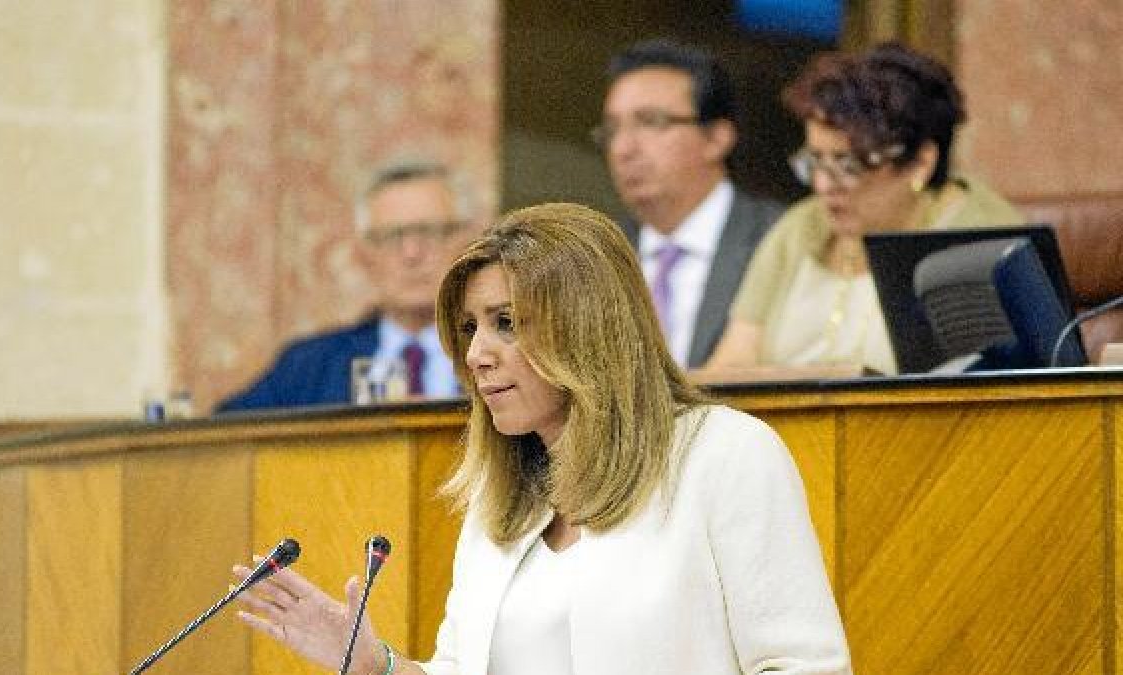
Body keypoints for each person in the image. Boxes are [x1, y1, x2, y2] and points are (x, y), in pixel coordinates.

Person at [232, 203, 851, 674]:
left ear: (587, 326)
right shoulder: (501, 501)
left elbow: (803, 667)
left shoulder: (724, 454)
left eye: (506, 324)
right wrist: (377, 665)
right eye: (470, 328)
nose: (476, 354)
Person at [695, 42, 1021, 378]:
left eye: (848, 165)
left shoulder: (980, 240)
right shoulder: (800, 227)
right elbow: (729, 366)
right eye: (815, 161)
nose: (823, 185)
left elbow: (980, 398)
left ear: (922, 162)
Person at [215, 160, 477, 412]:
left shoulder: (499, 354)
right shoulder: (310, 365)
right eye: (391, 237)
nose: (411, 254)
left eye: (429, 232)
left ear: (465, 243)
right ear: (364, 254)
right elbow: (225, 436)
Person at [596, 38, 784, 369]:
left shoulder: (778, 239)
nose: (623, 148)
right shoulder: (597, 257)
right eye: (613, 129)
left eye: (651, 122)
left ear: (716, 138)